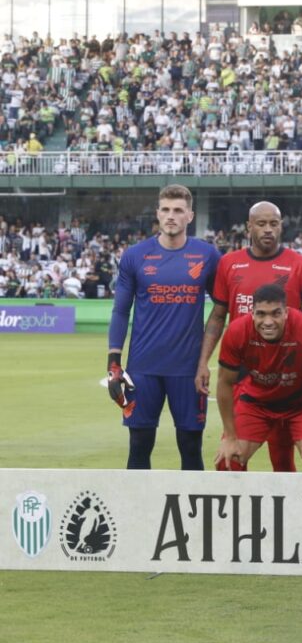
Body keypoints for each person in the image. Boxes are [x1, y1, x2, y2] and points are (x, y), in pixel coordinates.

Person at [194, 201, 302, 472]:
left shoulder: (300, 265)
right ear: (249, 227)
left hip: (293, 375)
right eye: (261, 223)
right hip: (250, 378)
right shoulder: (229, 264)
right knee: (231, 458)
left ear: (281, 226)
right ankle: (240, 515)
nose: (268, 229)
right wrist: (203, 362)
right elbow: (217, 316)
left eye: (274, 223)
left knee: (285, 460)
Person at [106, 184, 220, 470]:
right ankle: (137, 513)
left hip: (188, 370)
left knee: (191, 448)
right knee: (139, 445)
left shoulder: (208, 255)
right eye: (166, 209)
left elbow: (222, 308)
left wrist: (206, 360)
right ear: (157, 213)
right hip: (142, 369)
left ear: (190, 216)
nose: (171, 216)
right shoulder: (135, 255)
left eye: (178, 210)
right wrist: (113, 364)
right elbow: (121, 310)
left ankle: (193, 516)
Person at [214, 284, 302, 472]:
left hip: (300, 404)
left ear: (286, 312)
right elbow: (224, 382)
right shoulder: (237, 330)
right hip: (256, 402)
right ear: (252, 313)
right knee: (229, 460)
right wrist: (229, 436)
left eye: (275, 314)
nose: (268, 321)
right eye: (261, 314)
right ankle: (245, 502)